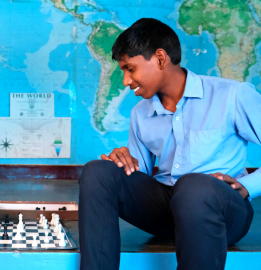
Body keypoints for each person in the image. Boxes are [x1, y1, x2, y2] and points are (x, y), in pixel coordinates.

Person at [79, 18, 261, 270]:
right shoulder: (140, 114)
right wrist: (122, 161)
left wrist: (247, 187)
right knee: (97, 171)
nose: (125, 81)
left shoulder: (233, 95)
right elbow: (139, 174)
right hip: (168, 211)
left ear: (160, 59)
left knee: (194, 185)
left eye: (130, 68)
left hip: (222, 210)